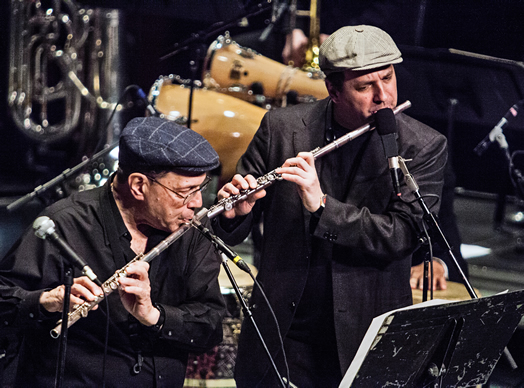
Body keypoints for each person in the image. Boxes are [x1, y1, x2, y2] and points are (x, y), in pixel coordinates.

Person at [212, 25, 448, 387]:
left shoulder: (422, 146)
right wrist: (234, 214)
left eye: (387, 77)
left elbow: (401, 236)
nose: (382, 95)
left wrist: (322, 206)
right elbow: (235, 224)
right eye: (364, 86)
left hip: (366, 336)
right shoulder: (282, 128)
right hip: (283, 333)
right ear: (334, 91)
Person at [0, 117, 226, 387]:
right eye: (185, 192)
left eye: (201, 188)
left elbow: (210, 325)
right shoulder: (66, 225)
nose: (197, 203)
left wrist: (153, 316)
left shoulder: (192, 228)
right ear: (139, 185)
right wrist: (48, 300)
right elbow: (4, 300)